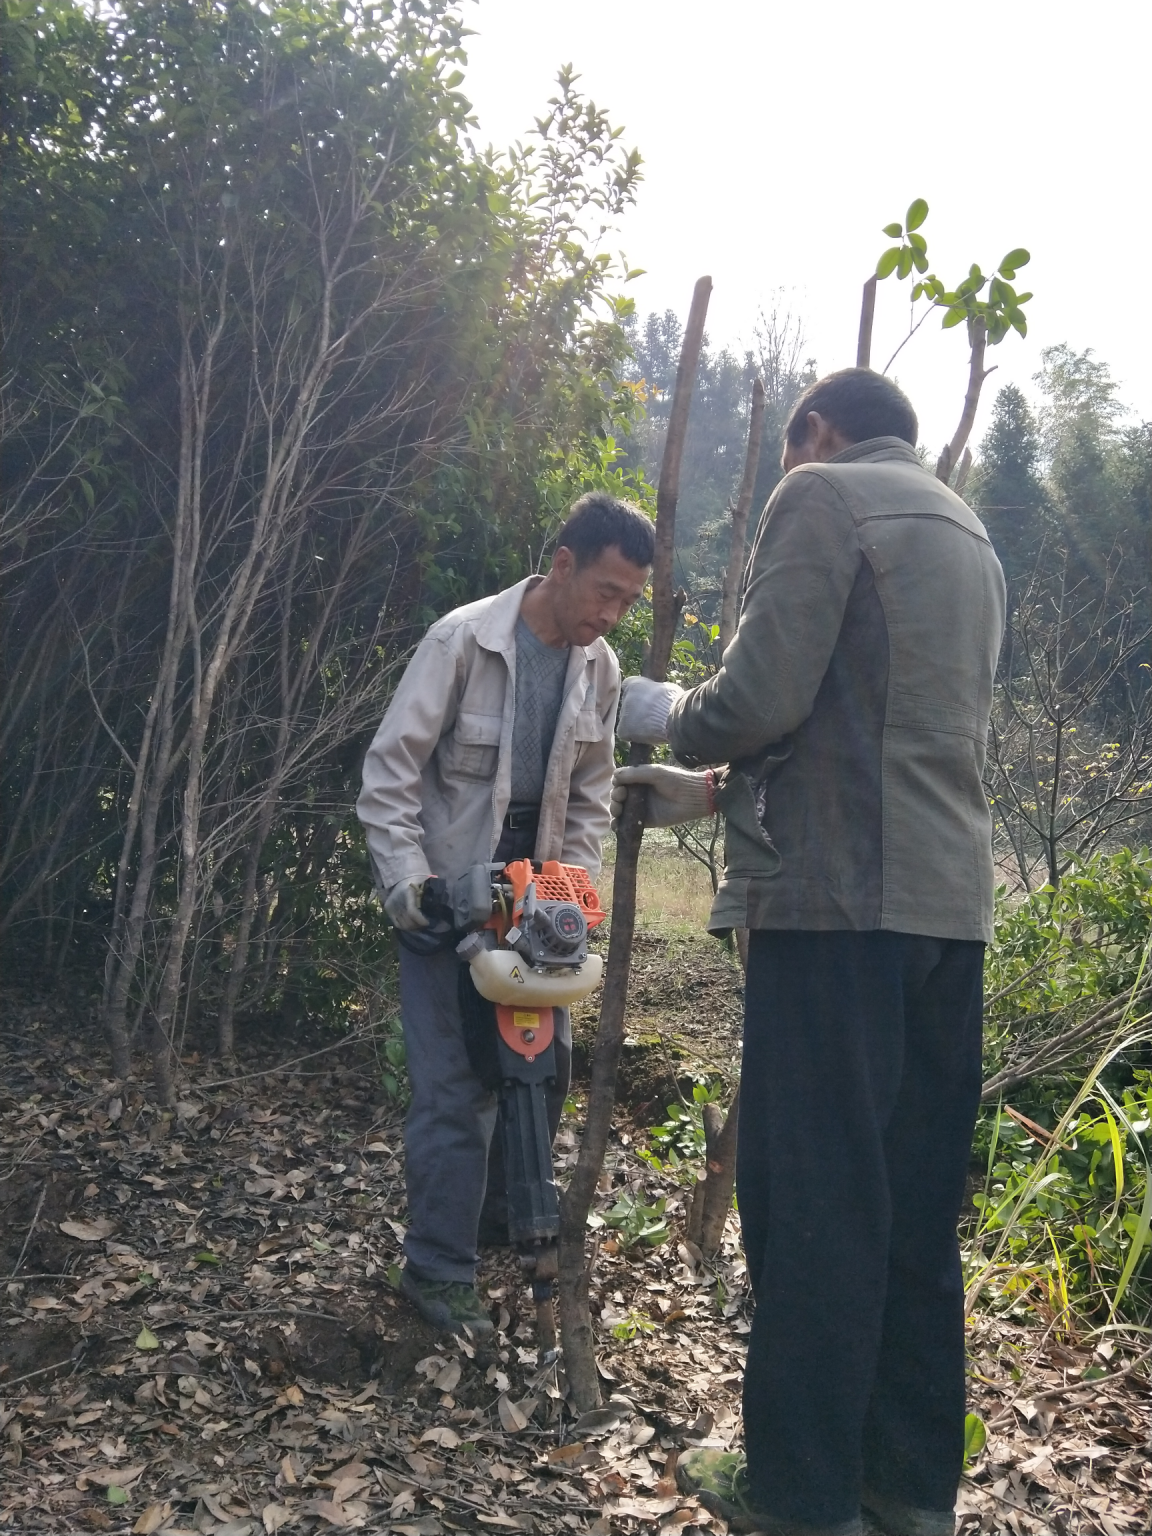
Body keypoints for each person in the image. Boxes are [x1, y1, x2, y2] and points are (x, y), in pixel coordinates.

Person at [615, 369, 1006, 1536]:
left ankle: (798, 1494)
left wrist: (662, 710)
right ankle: (905, 1487)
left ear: (817, 431)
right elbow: (867, 717)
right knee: (912, 1202)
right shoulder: (966, 529)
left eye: (794, 449)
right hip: (947, 910)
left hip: (837, 907)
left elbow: (761, 694)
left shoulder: (822, 494)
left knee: (813, 1197)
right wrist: (714, 796)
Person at [357, 493, 653, 1336]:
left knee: (541, 1076)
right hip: (449, 901)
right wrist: (410, 887)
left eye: (628, 600)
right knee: (455, 1095)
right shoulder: (462, 643)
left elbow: (591, 797)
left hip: (538, 908)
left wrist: (573, 894)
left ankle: (491, 1229)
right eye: (603, 590)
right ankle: (435, 1272)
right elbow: (390, 775)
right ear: (561, 564)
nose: (610, 612)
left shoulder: (599, 668)